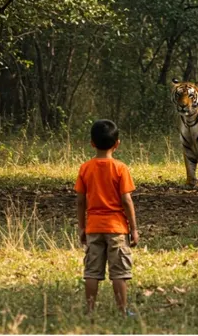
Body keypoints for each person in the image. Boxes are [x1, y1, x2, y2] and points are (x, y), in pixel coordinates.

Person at [74, 119, 139, 317]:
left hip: (93, 228)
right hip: (117, 228)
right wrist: (133, 228)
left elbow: (80, 201)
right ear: (117, 143)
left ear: (92, 143)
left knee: (92, 272)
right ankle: (122, 310)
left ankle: (90, 310)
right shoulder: (120, 168)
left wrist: (81, 227)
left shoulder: (85, 168)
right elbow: (126, 200)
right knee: (119, 272)